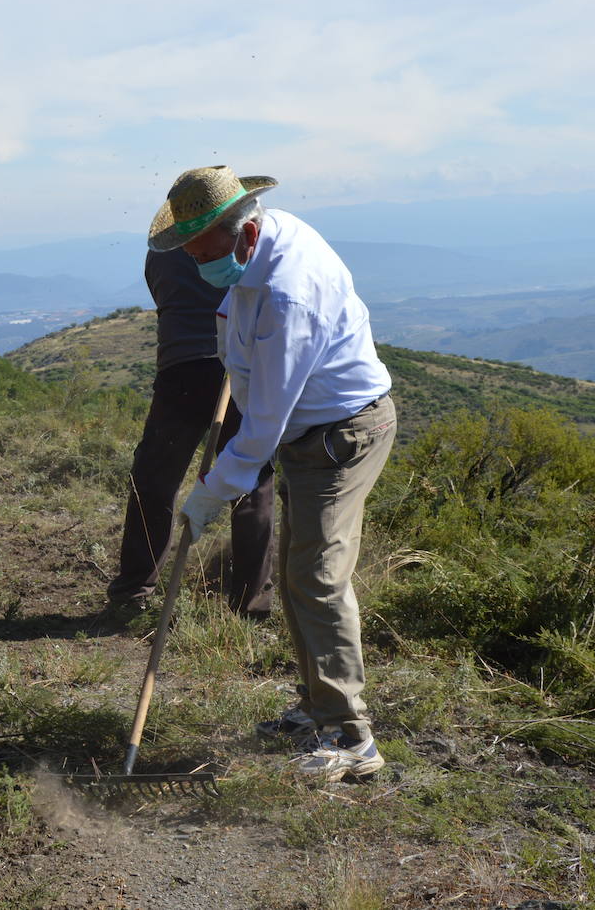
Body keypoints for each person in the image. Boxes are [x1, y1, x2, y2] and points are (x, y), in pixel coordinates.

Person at [149, 166, 397, 783]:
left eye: (203, 253)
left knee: (315, 576)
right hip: (308, 432)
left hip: (342, 434)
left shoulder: (290, 292)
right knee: (295, 572)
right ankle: (316, 708)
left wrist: (211, 493)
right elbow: (252, 368)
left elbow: (264, 422)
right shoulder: (259, 244)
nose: (199, 265)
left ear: (244, 235)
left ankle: (351, 737)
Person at [107, 248, 276, 618]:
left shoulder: (159, 252)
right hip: (235, 365)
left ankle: (133, 590)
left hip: (181, 369)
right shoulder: (239, 240)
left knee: (153, 478)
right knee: (251, 480)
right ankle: (251, 605)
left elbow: (164, 295)